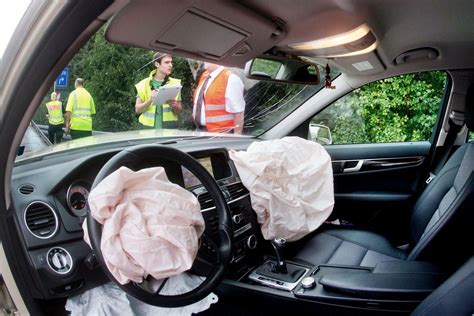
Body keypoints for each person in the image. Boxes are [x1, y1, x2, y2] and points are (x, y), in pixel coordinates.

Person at [192, 62, 245, 134]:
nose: (204, 60)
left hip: (222, 134)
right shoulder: (205, 76)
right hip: (200, 130)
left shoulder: (231, 78)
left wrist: (236, 138)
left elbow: (238, 113)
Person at [135, 52, 182, 129]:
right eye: (167, 62)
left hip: (169, 132)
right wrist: (150, 100)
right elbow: (137, 110)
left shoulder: (175, 84)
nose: (170, 65)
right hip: (147, 131)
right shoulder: (143, 84)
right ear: (157, 64)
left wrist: (174, 106)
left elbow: (179, 110)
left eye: (171, 62)